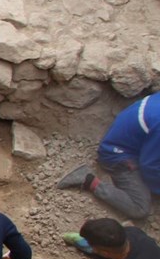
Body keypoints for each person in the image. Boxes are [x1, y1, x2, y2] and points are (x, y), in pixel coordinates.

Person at [56, 92, 160, 220]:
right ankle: (87, 179)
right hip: (118, 156)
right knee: (140, 208)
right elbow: (150, 167)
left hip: (135, 144)